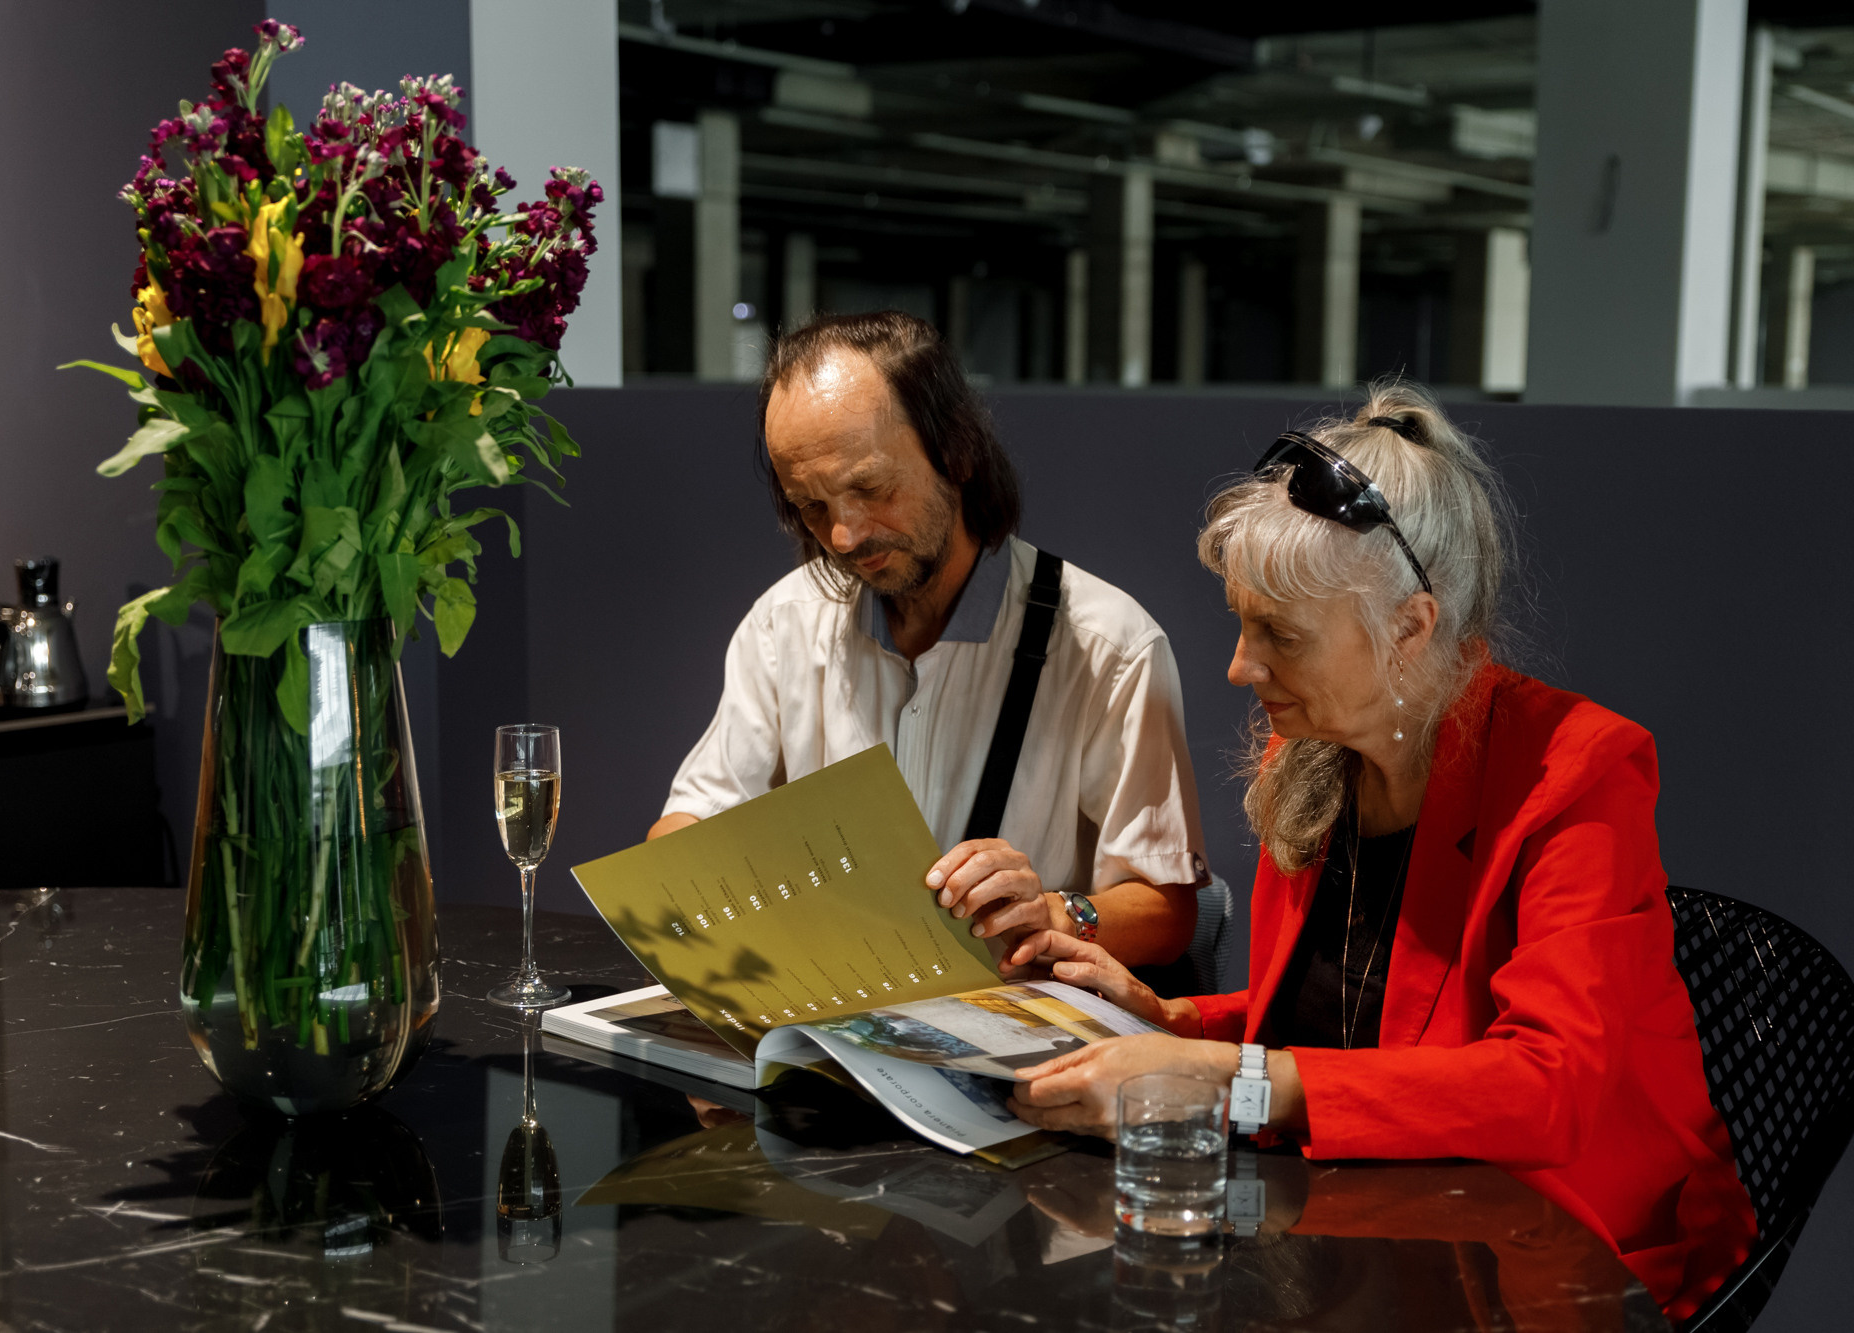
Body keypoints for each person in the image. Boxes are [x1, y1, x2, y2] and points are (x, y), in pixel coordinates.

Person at [1001, 384, 1755, 1321]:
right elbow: (1342, 1028)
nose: (1239, 665)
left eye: (1279, 634)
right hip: (1383, 1233)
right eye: (1242, 621)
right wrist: (1173, 1022)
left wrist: (1231, 1081)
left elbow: (1546, 1086)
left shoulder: (1580, 772)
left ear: (1410, 628)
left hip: (1568, 1265)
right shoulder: (1309, 756)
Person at [649, 311, 1212, 968]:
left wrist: (1054, 912)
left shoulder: (1108, 647)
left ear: (958, 451)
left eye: (870, 488)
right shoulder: (785, 624)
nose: (844, 536)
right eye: (812, 506)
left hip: (1015, 1016)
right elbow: (685, 827)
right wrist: (696, 870)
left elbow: (1168, 911)